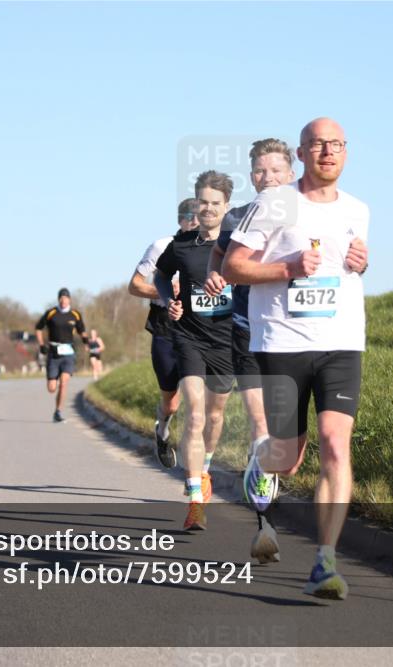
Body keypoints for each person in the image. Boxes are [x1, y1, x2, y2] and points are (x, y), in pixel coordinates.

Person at [223, 118, 369, 599]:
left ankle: (325, 563)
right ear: (303, 153)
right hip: (283, 341)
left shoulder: (357, 210)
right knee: (288, 461)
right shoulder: (274, 204)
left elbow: (349, 267)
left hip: (342, 339)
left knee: (335, 443)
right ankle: (261, 461)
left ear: (346, 153)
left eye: (336, 144)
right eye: (318, 145)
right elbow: (233, 267)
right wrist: (285, 268)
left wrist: (361, 263)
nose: (328, 152)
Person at [204, 138, 295, 564]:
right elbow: (220, 257)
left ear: (290, 173)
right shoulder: (239, 216)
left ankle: (264, 467)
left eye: (276, 170)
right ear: (251, 175)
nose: (267, 178)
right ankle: (266, 526)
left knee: (286, 445)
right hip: (247, 332)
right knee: (262, 430)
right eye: (260, 171)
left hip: (296, 339)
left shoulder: (310, 215)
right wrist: (214, 277)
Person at [154, 171, 236, 531]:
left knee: (215, 417)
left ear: (226, 206)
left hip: (226, 340)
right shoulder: (182, 243)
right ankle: (195, 501)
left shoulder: (239, 244)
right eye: (202, 202)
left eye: (215, 203)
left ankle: (203, 473)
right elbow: (160, 274)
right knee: (196, 415)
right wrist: (168, 297)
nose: (207, 209)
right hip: (189, 337)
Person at [127, 198, 199, 467]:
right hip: (165, 325)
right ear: (180, 220)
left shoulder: (211, 247)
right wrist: (165, 291)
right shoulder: (162, 246)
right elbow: (134, 286)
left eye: (201, 216)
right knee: (171, 402)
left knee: (198, 398)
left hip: (198, 326)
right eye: (190, 216)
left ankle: (196, 466)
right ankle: (163, 431)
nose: (195, 221)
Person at [35, 288, 89, 423]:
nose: (63, 300)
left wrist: (86, 342)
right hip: (53, 353)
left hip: (68, 354)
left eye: (66, 298)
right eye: (61, 298)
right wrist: (41, 345)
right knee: (52, 388)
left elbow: (82, 330)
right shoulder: (51, 313)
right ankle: (54, 380)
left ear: (69, 299)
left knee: (64, 384)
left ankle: (58, 412)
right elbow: (38, 328)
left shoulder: (75, 314)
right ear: (58, 299)